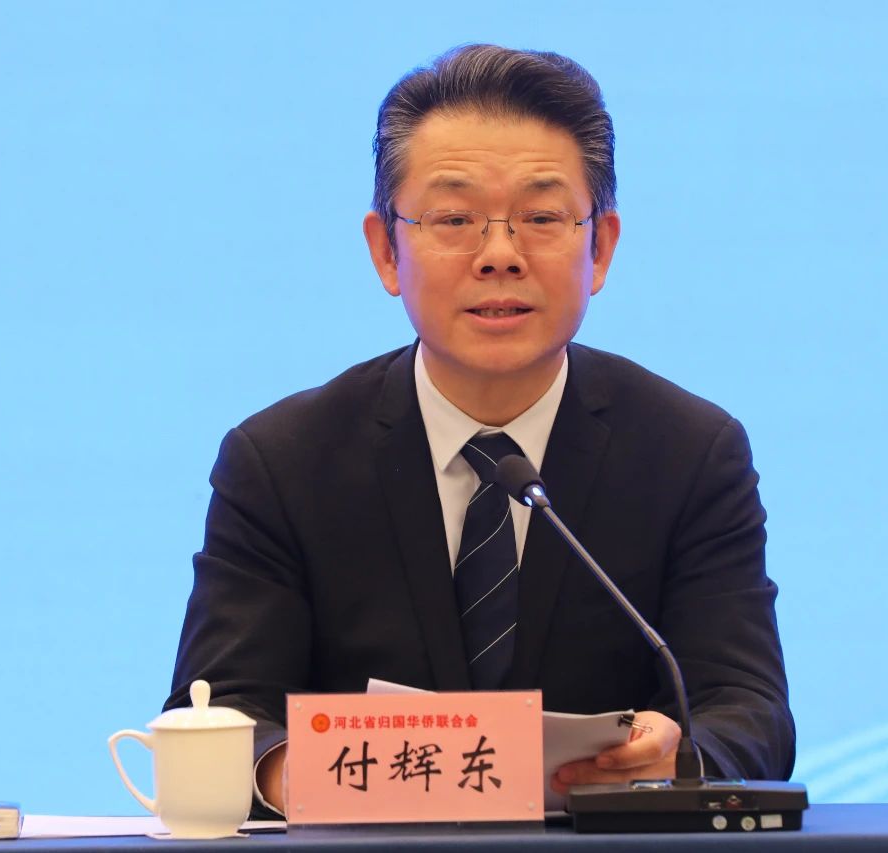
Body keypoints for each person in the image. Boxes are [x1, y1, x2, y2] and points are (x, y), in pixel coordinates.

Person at [166, 44, 794, 818]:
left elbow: (749, 710)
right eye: (454, 219)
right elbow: (219, 708)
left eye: (541, 217)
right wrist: (292, 772)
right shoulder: (282, 462)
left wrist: (682, 755)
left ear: (599, 247)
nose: (500, 255)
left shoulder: (689, 453)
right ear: (385, 250)